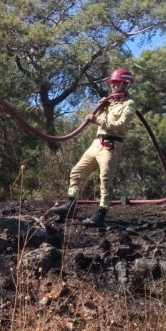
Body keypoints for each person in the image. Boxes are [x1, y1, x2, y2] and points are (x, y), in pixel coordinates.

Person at [49, 67, 137, 227]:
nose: (113, 85)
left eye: (116, 82)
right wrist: (100, 107)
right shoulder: (108, 102)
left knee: (105, 180)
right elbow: (96, 117)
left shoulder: (129, 104)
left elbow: (121, 125)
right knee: (77, 171)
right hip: (96, 143)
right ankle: (69, 205)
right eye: (112, 82)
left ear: (126, 84)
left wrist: (97, 120)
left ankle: (100, 214)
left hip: (111, 145)